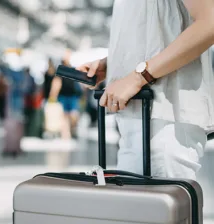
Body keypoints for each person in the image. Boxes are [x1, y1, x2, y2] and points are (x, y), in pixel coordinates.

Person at [76, 0, 214, 180]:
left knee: (158, 204)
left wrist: (138, 76)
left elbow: (209, 23)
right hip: (139, 120)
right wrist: (114, 63)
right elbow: (158, 31)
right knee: (139, 204)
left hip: (164, 122)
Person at [50, 59, 81, 139]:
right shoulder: (61, 71)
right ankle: (66, 134)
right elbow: (57, 83)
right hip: (63, 96)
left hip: (72, 96)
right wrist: (53, 95)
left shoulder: (73, 69)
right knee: (64, 116)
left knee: (73, 115)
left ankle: (72, 130)